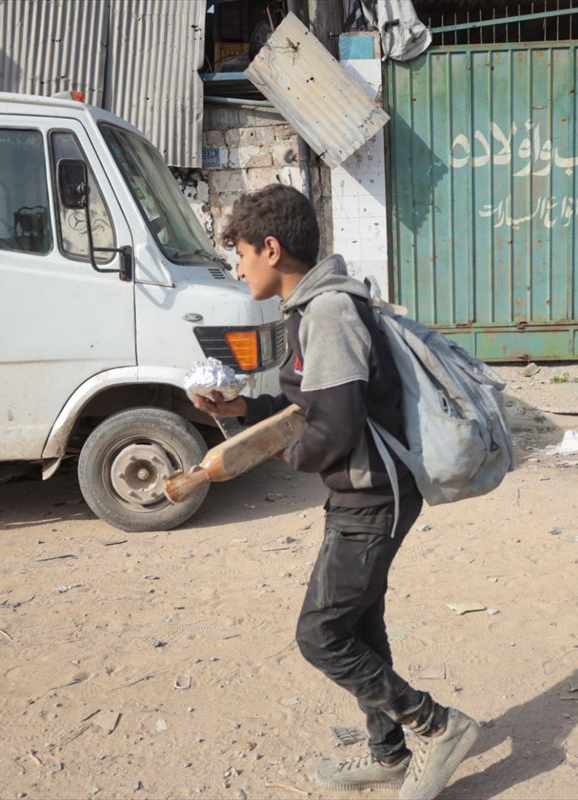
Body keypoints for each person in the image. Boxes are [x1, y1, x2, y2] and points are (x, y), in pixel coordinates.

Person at [191, 184, 478, 800]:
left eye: (241, 253)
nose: (238, 267)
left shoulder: (328, 313)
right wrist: (244, 409)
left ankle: (442, 726)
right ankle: (390, 754)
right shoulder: (310, 311)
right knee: (359, 625)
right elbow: (307, 408)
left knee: (321, 635)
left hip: (373, 496)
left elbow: (335, 426)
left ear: (271, 248)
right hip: (358, 493)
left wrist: (274, 455)